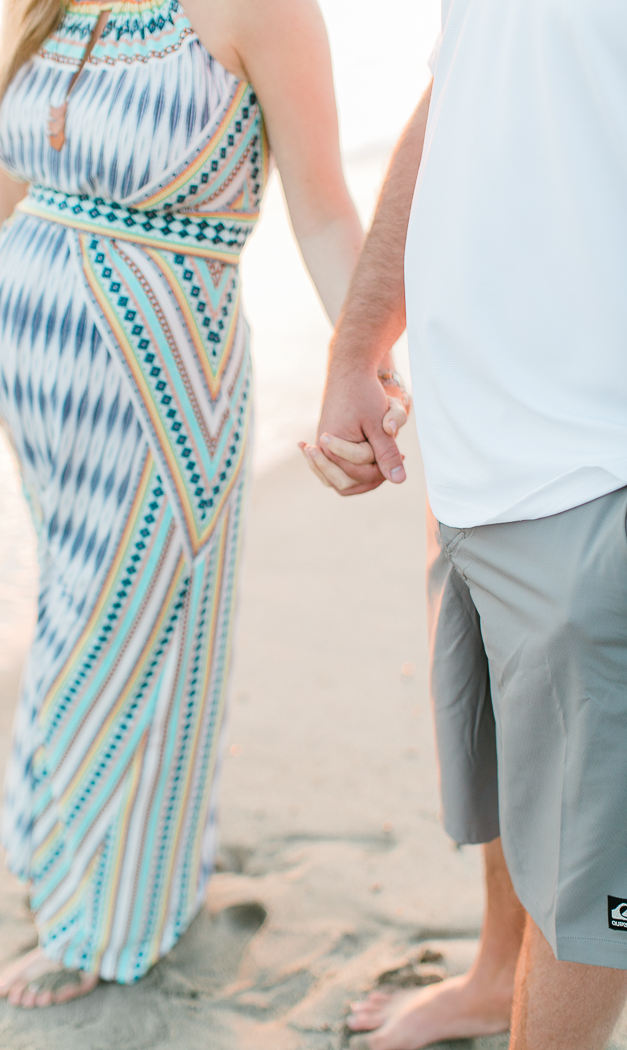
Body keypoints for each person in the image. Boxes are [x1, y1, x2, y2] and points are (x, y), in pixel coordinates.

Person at [0, 0, 404, 1010]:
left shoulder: (260, 7)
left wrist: (370, 367)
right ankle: (61, 856)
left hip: (156, 379)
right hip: (36, 380)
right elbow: (7, 178)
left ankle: (110, 922)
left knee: (139, 634)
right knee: (68, 620)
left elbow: (325, 207)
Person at [301, 3, 627, 1048]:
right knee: (516, 768)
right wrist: (359, 342)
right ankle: (495, 977)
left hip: (595, 466)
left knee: (597, 873)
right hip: (474, 445)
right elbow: (457, 96)